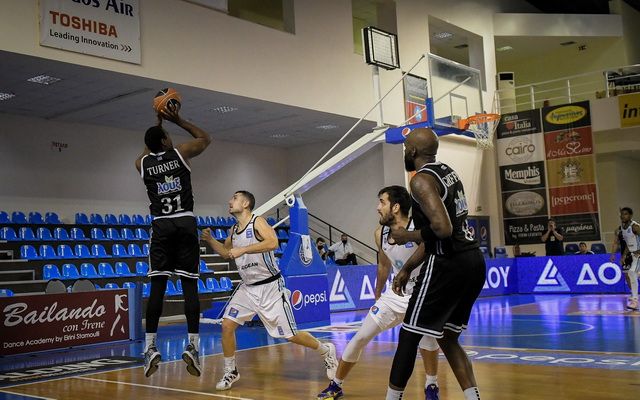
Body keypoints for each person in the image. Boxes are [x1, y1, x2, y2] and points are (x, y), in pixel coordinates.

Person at [200, 190, 338, 390]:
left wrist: (243, 249)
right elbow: (226, 252)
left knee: (290, 335)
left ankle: (325, 350)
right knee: (227, 325)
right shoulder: (233, 230)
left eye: (235, 198)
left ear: (245, 203)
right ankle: (231, 370)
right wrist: (211, 240)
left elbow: (273, 242)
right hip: (248, 289)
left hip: (270, 287)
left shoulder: (258, 222)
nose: (230, 201)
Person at [386, 128, 485, 400]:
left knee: (409, 335)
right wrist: (407, 268)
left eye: (406, 147)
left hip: (448, 263)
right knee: (448, 337)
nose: (405, 151)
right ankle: (473, 397)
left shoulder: (420, 181)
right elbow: (435, 235)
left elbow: (442, 229)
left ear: (413, 151)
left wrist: (406, 236)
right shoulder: (448, 172)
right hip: (473, 260)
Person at [317, 185, 441, 400]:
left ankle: (431, 385)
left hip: (422, 293)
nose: (377, 207)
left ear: (396, 207)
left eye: (382, 202)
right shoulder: (380, 233)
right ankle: (336, 385)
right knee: (360, 337)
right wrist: (377, 293)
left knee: (427, 341)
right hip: (395, 294)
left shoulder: (418, 227)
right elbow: (384, 264)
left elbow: (431, 251)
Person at [135, 104, 211, 378]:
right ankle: (193, 346)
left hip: (161, 226)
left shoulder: (142, 164)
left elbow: (147, 151)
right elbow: (205, 138)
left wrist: (156, 129)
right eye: (167, 136)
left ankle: (150, 347)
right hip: (185, 222)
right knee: (190, 286)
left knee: (158, 287)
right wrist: (176, 120)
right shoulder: (180, 153)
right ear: (166, 141)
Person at [616, 207, 640, 311]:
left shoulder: (635, 226)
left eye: (625, 214)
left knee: (631, 272)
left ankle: (634, 300)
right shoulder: (622, 228)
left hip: (638, 254)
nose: (623, 216)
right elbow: (627, 244)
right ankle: (634, 297)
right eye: (622, 214)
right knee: (633, 274)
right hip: (633, 255)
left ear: (630, 215)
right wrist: (624, 255)